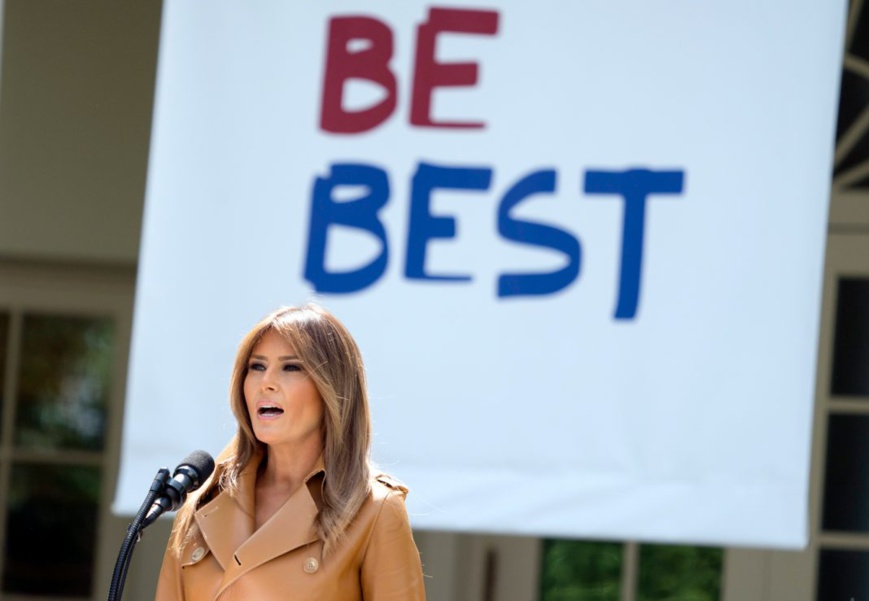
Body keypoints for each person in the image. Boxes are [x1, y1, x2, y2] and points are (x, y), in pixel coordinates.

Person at [155, 304, 426, 600]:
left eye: (291, 367)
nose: (266, 383)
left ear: (332, 388)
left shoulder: (375, 510)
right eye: (256, 366)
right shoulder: (203, 502)